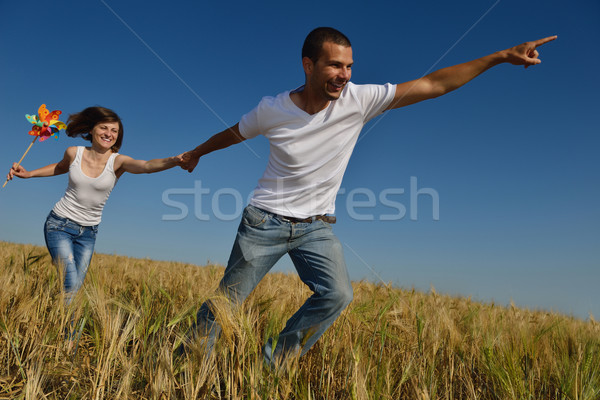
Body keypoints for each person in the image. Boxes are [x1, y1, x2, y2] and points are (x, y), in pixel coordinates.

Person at [178, 28, 556, 365]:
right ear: (308, 65)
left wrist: (500, 57)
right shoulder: (272, 109)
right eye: (334, 65)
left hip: (316, 227)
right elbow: (234, 133)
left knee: (338, 295)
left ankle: (273, 363)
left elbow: (434, 84)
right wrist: (197, 152)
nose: (344, 75)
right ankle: (183, 366)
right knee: (225, 303)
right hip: (265, 220)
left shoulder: (360, 99)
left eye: (350, 66)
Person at [6, 106, 184, 305]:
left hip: (88, 233)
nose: (109, 134)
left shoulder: (118, 162)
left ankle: (60, 325)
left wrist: (174, 160)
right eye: (104, 128)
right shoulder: (74, 153)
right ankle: (70, 337)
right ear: (92, 130)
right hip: (59, 225)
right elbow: (59, 168)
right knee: (71, 285)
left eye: (114, 131)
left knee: (74, 290)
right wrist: (29, 173)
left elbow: (147, 166)